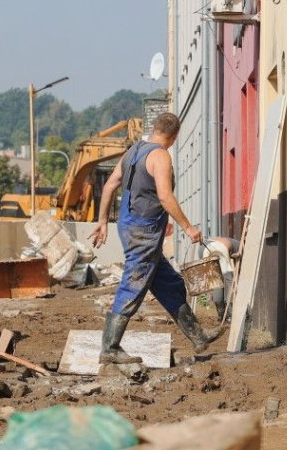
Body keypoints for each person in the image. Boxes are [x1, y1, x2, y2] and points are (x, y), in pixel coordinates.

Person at [89, 113, 225, 364]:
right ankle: (110, 347)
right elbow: (164, 196)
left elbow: (109, 187)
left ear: (155, 129)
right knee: (134, 284)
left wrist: (102, 222)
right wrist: (187, 227)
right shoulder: (160, 156)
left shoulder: (132, 152)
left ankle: (198, 336)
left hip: (129, 226)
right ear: (174, 136)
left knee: (168, 283)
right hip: (144, 231)